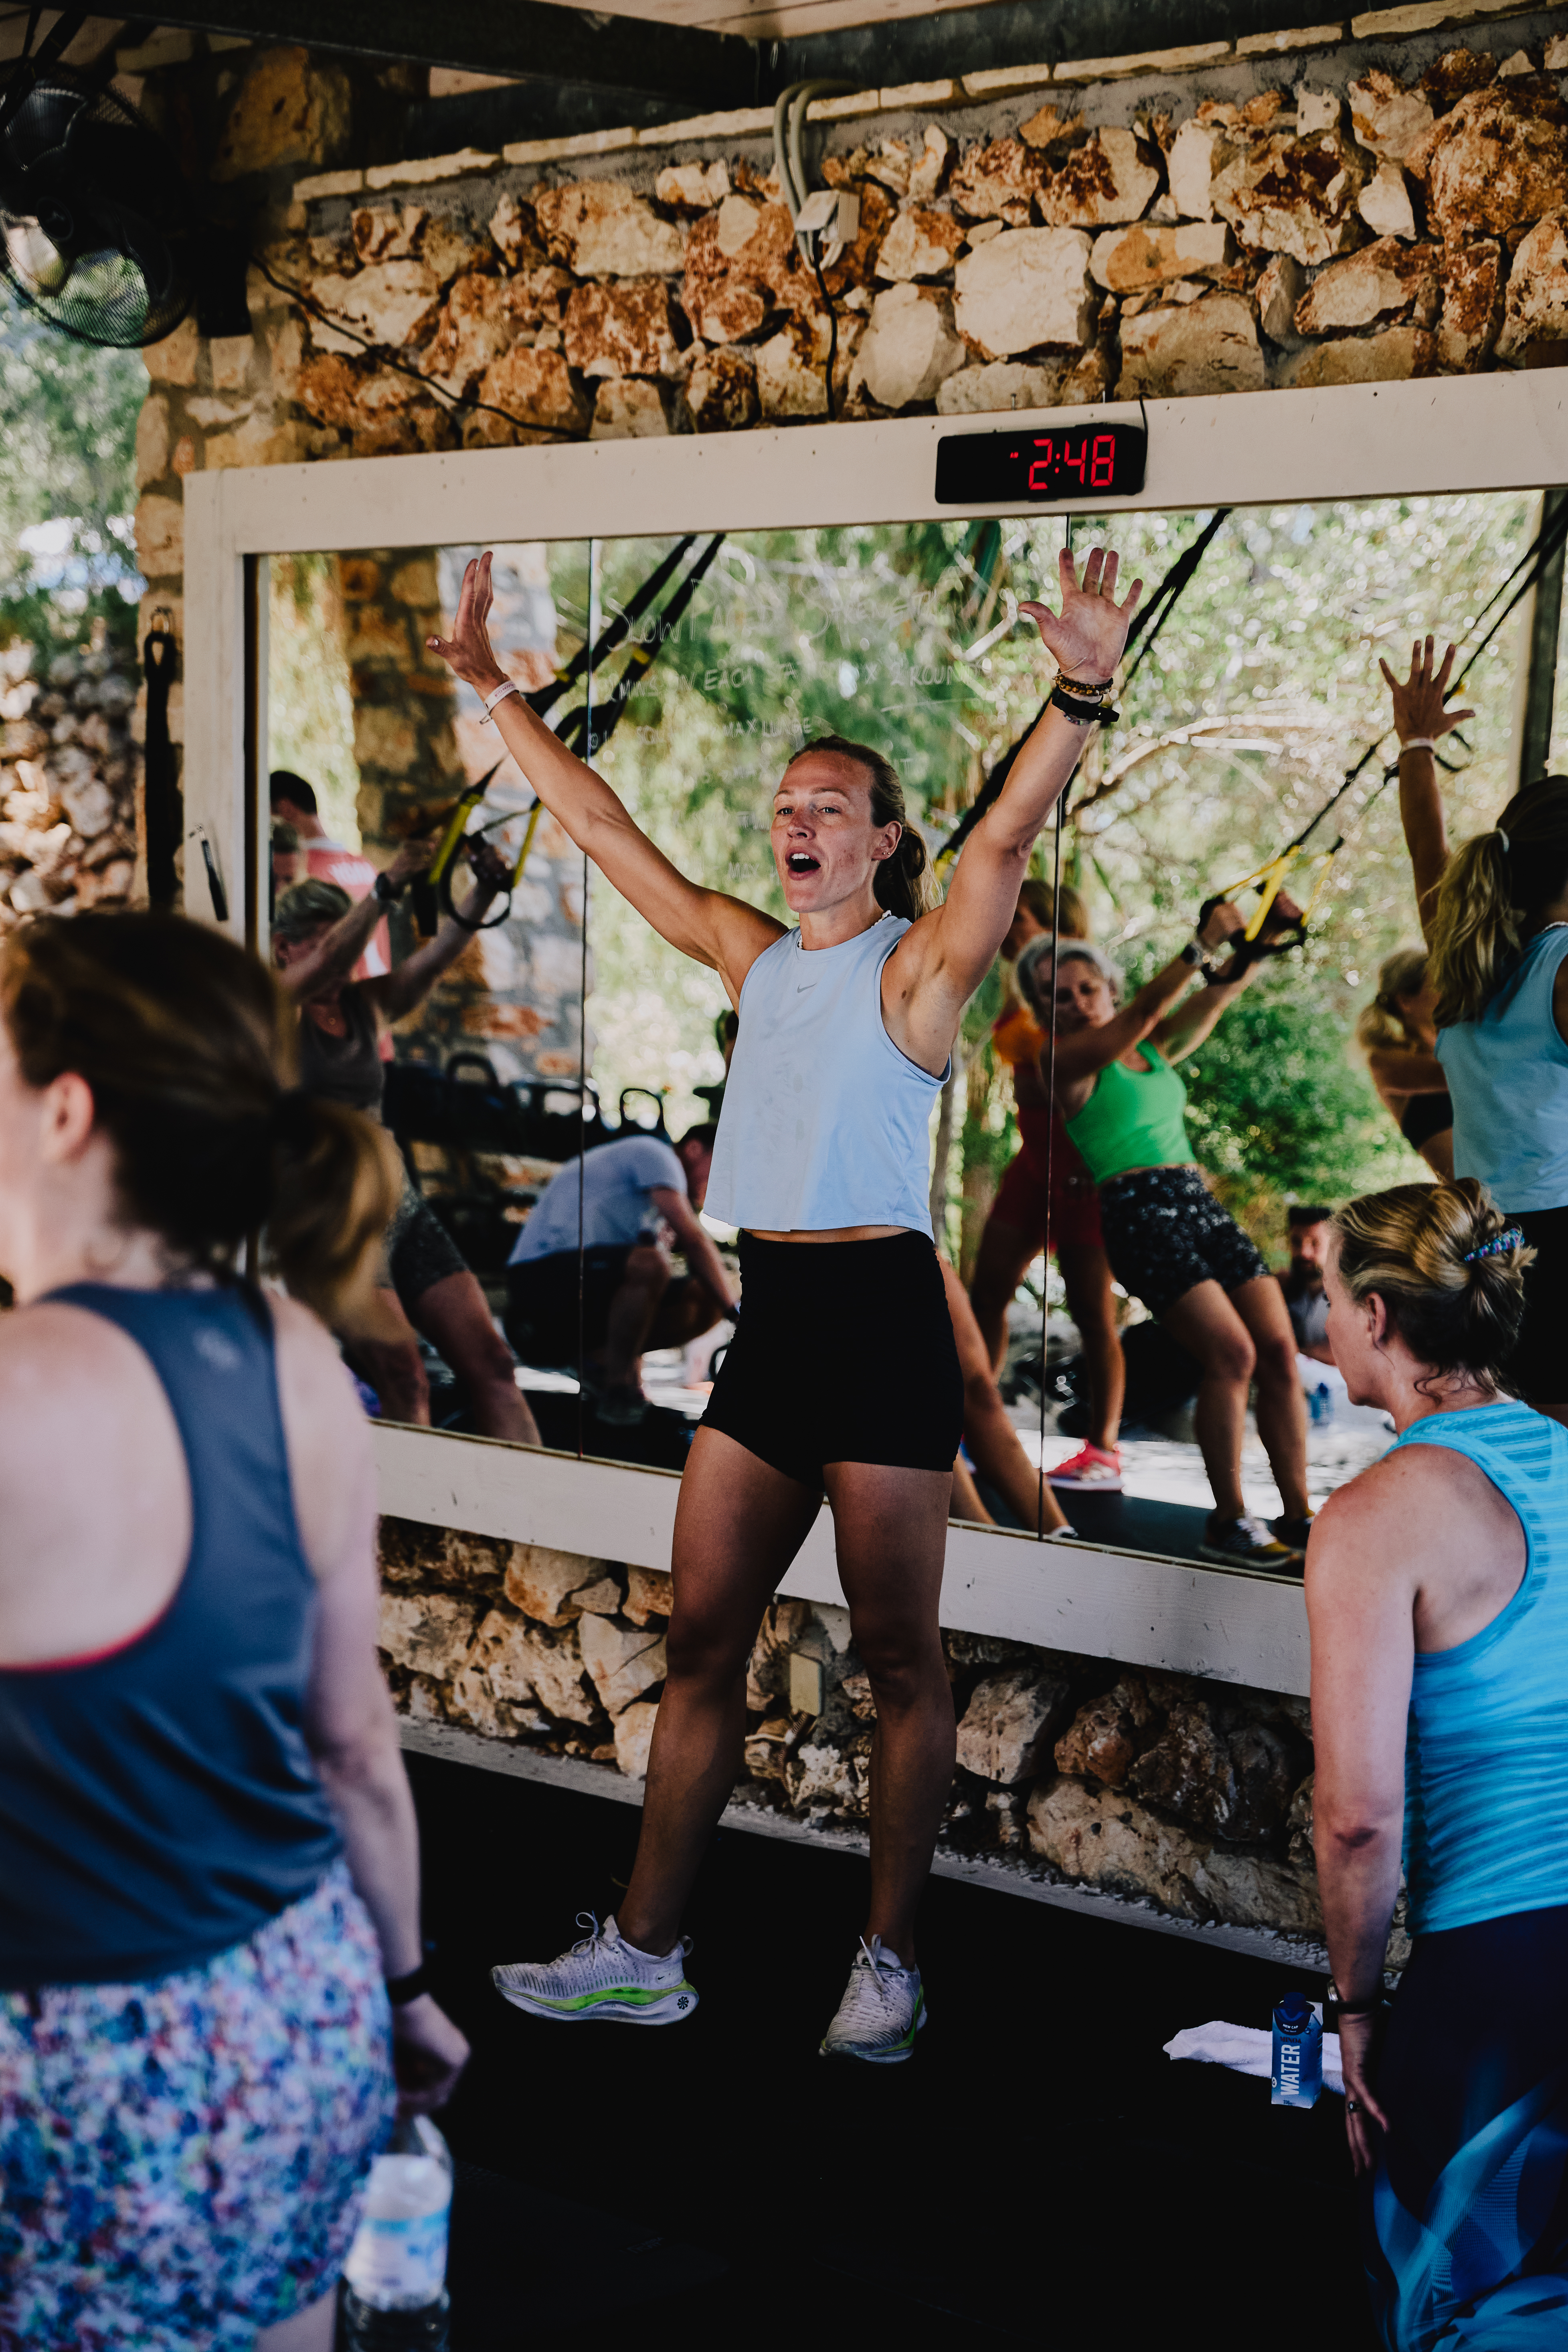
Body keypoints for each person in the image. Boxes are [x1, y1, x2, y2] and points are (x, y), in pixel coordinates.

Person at [428, 539, 1143, 2059]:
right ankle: (643, 1947)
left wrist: (1078, 685)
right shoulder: (755, 958)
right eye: (784, 803)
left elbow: (1007, 839)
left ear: (884, 841)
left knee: (899, 1661)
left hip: (882, 1322)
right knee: (701, 1644)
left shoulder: (919, 972)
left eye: (829, 805)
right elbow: (604, 830)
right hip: (774, 1329)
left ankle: (887, 1964)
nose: (794, 819)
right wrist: (493, 693)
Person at [0, 911, 469, 2350]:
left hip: (68, 2065)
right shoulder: (296, 1357)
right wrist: (404, 1991)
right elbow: (356, 1749)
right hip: (288, 2015)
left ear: (65, 1109)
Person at [1304, 1179, 1568, 2350]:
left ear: (1373, 1313)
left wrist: (1354, 2007)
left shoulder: (1374, 1512)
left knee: (1465, 2309)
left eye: (1321, 1296)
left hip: (1503, 1963)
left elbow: (1356, 1817)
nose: (1317, 1324)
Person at [1028, 920, 1313, 1568]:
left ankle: (1298, 1516)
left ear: (1106, 988)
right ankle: (1229, 1518)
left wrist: (1260, 940)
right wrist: (1199, 943)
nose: (1075, 1003)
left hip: (1197, 1203)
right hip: (1138, 1213)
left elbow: (1213, 997)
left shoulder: (1151, 1051)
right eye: (1058, 995)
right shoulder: (1062, 1062)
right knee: (1232, 1353)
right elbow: (1149, 1007)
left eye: (1085, 989)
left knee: (1277, 1348)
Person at [273, 845, 540, 1448]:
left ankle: (525, 1529)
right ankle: (404, 1539)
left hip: (394, 1197)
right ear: (283, 948)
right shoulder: (275, 1007)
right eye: (316, 943)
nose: (334, 958)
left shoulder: (365, 1005)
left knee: (493, 1365)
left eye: (336, 941)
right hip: (327, 1210)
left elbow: (436, 959)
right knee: (404, 1374)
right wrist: (384, 889)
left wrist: (483, 892)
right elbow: (329, 962)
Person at [1384, 637, 1568, 1419]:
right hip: (1556, 1239)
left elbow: (1425, 846)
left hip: (1488, 1238)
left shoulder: (1465, 955)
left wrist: (1416, 744)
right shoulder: (1557, 969)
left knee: (1516, 1437)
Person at [969, 881, 1127, 1493]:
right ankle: (978, 1426)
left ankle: (1104, 1450)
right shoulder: (1020, 984)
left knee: (1092, 1311)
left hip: (1077, 1159)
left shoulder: (1076, 985)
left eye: (1021, 918)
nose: (1009, 929)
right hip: (1030, 1161)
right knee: (986, 1290)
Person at [505, 1123, 738, 1422]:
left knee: (702, 1297)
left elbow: (637, 1299)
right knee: (651, 1264)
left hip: (588, 1287)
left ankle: (603, 1364)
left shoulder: (648, 1212)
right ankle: (616, 1386)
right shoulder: (655, 1154)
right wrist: (737, 1313)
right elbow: (694, 1240)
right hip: (538, 1281)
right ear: (694, 1149)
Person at [940, 1255, 1068, 1532]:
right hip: (832, 1240)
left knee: (981, 1392)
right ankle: (983, 1538)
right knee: (919, 1396)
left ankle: (1061, 1536)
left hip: (902, 1232)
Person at [271, 769, 390, 983]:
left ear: (284, 808)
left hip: (336, 993)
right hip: (373, 989)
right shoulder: (366, 866)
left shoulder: (303, 874)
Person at [1354, 947, 1454, 1180]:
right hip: (1481, 1205)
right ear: (1406, 1001)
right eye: (1440, 984)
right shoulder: (1383, 1061)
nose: (1452, 992)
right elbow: (1466, 1073)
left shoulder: (1453, 1046)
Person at [1277, 1204, 1334, 1366]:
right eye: (1296, 1242)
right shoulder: (1280, 1287)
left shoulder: (1353, 1293)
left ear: (1334, 1245)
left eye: (1315, 1243)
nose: (1304, 1252)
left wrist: (1281, 1352)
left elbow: (1342, 1354)